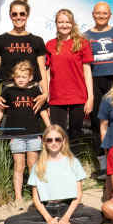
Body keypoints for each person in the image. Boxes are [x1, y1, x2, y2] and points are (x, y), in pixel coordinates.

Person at [4, 125, 103, 224]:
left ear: (63, 141)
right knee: (10, 223)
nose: (54, 143)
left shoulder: (73, 162)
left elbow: (79, 194)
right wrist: (48, 219)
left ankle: (65, 222)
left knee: (97, 216)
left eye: (57, 139)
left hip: (67, 206)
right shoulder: (38, 165)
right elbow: (36, 198)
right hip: (47, 208)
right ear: (44, 142)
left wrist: (66, 217)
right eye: (49, 140)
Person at [0, 60, 52, 208]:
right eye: (18, 76)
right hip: (16, 136)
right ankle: (18, 197)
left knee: (33, 165)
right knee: (19, 166)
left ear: (30, 78)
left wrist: (50, 127)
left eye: (24, 77)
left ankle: (36, 195)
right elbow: (0, 110)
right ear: (14, 77)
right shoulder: (8, 91)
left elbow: (43, 111)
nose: (21, 79)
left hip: (33, 134)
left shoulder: (35, 91)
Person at [84, 2, 113, 167]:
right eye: (98, 13)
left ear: (110, 15)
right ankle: (102, 162)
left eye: (104, 13)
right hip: (95, 82)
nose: (101, 16)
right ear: (93, 14)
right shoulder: (85, 37)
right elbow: (84, 65)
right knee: (98, 121)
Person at [45, 9, 94, 145]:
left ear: (72, 24)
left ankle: (75, 158)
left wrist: (90, 97)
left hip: (78, 96)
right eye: (61, 22)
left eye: (67, 22)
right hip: (56, 98)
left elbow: (87, 72)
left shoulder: (82, 43)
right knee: (58, 135)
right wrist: (47, 97)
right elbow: (47, 74)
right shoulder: (50, 45)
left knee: (75, 135)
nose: (64, 25)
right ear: (56, 24)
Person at [0, 0, 48, 111]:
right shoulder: (0, 40)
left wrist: (45, 93)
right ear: (10, 15)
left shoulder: (37, 41)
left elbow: (42, 69)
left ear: (27, 15)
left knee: (33, 122)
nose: (18, 17)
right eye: (14, 14)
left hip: (32, 92)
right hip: (8, 93)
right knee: (8, 122)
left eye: (22, 14)